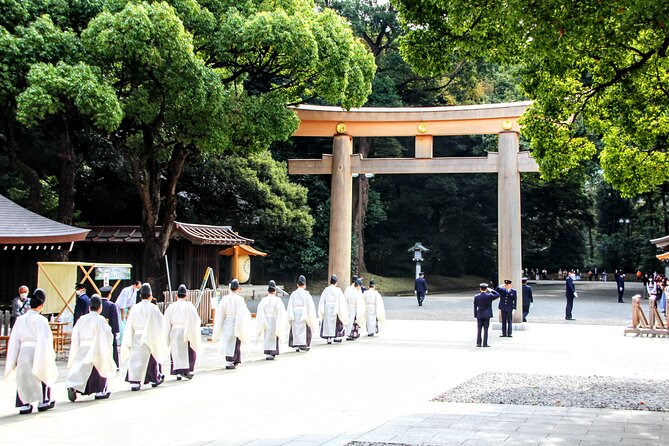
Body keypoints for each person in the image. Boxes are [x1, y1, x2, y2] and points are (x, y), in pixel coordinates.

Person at [4, 289, 58, 414]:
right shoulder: (42, 320)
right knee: (41, 373)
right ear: (41, 305)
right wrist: (49, 354)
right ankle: (43, 401)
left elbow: (14, 340)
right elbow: (46, 340)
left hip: (23, 351)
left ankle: (25, 404)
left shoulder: (20, 320)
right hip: (38, 349)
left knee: (23, 377)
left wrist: (13, 358)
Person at [66, 295, 116, 402]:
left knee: (80, 369)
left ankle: (73, 386)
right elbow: (107, 334)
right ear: (100, 307)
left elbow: (75, 334)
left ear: (89, 307)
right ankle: (100, 390)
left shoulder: (82, 319)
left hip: (83, 346)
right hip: (96, 347)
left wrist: (77, 347)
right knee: (99, 368)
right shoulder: (100, 319)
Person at [120, 283, 168, 391]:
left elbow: (129, 324)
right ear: (150, 296)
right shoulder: (153, 308)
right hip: (150, 335)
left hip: (137, 335)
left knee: (136, 358)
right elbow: (161, 323)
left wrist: (129, 337)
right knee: (151, 359)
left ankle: (135, 381)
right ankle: (154, 378)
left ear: (140, 296)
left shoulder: (135, 308)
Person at [164, 284, 202, 380]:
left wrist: (167, 337)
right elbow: (196, 320)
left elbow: (166, 323)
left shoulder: (170, 307)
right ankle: (187, 370)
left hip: (175, 331)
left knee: (176, 352)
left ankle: (177, 373)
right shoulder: (189, 306)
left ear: (176, 295)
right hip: (186, 330)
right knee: (188, 351)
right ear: (186, 295)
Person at [212, 279, 252, 370]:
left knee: (228, 342)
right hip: (236, 321)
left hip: (227, 321)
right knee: (235, 342)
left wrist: (219, 325)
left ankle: (228, 361)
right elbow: (244, 313)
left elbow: (220, 313)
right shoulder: (240, 299)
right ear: (238, 288)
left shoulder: (224, 299)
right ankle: (231, 361)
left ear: (230, 288)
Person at [255, 280, 289, 360]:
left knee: (267, 336)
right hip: (274, 320)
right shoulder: (278, 300)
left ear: (268, 290)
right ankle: (273, 352)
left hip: (266, 319)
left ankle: (268, 353)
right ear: (275, 291)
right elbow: (282, 312)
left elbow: (260, 312)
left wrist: (262, 321)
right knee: (274, 335)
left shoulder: (263, 300)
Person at [286, 275, 317, 352]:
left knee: (295, 329)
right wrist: (311, 316)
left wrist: (290, 315)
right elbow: (310, 307)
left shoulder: (293, 294)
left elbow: (290, 305)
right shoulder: (306, 294)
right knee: (305, 328)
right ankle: (303, 344)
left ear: (297, 284)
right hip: (304, 313)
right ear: (305, 285)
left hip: (295, 313)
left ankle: (296, 345)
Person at [318, 274, 348, 344]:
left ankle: (328, 338)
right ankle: (337, 336)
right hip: (335, 307)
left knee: (327, 323)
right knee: (336, 322)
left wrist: (322, 310)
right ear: (336, 282)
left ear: (330, 281)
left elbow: (322, 300)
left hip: (327, 307)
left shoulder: (326, 289)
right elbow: (341, 301)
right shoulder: (338, 290)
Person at [99, 285, 120, 369]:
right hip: (110, 329)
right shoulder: (112, 305)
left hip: (100, 329)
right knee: (113, 346)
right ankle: (115, 364)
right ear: (109, 295)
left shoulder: (98, 303)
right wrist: (116, 331)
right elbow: (114, 319)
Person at [473, 283, 500, 347]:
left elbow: (475, 306)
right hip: (487, 314)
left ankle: (479, 343)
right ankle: (485, 343)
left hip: (479, 314)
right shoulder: (489, 296)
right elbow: (498, 295)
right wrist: (491, 290)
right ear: (486, 289)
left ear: (480, 289)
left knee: (479, 329)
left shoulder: (476, 296)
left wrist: (475, 315)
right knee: (486, 329)